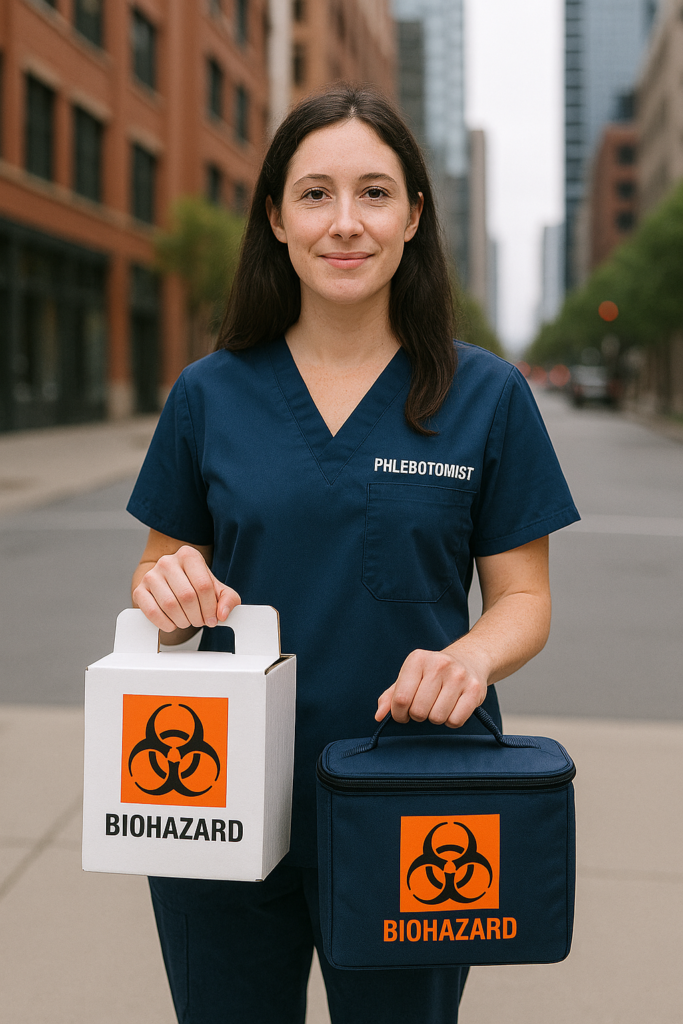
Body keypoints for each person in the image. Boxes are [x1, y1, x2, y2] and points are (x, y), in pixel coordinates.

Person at [127, 86, 579, 1024]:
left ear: (413, 216)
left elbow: (522, 598)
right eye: (315, 194)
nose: (345, 223)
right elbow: (155, 575)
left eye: (374, 193)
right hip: (211, 793)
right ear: (276, 218)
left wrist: (470, 655)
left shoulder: (485, 395)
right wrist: (163, 588)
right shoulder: (207, 395)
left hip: (414, 799)